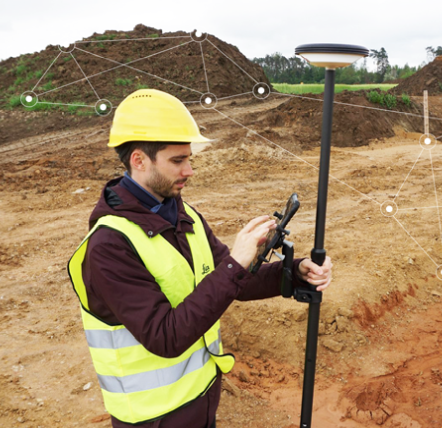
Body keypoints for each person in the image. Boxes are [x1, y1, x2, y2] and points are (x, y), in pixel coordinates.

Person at [67, 89, 332, 428]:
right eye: (177, 161)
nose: (189, 170)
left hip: (201, 400)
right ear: (139, 160)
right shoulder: (109, 245)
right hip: (153, 419)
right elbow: (165, 336)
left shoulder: (182, 214)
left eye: (188, 158)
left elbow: (235, 282)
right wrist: (235, 263)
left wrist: (295, 272)